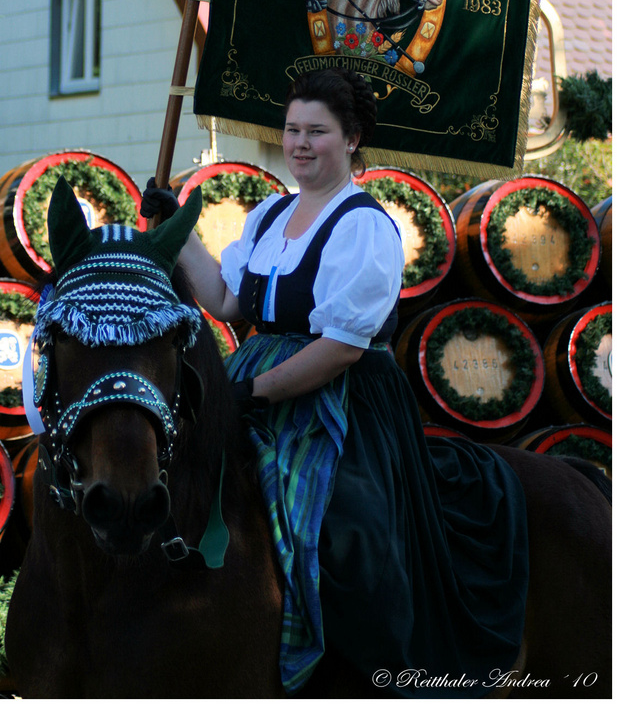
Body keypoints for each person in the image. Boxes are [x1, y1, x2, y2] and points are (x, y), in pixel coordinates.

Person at [142, 67, 528, 698]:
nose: (299, 143)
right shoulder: (269, 214)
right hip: (257, 372)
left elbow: (343, 347)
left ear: (351, 139)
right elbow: (228, 302)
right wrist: (178, 231)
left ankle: (359, 677)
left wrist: (251, 395)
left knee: (347, 537)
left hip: (338, 398)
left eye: (316, 132)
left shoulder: (364, 226)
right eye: (292, 129)